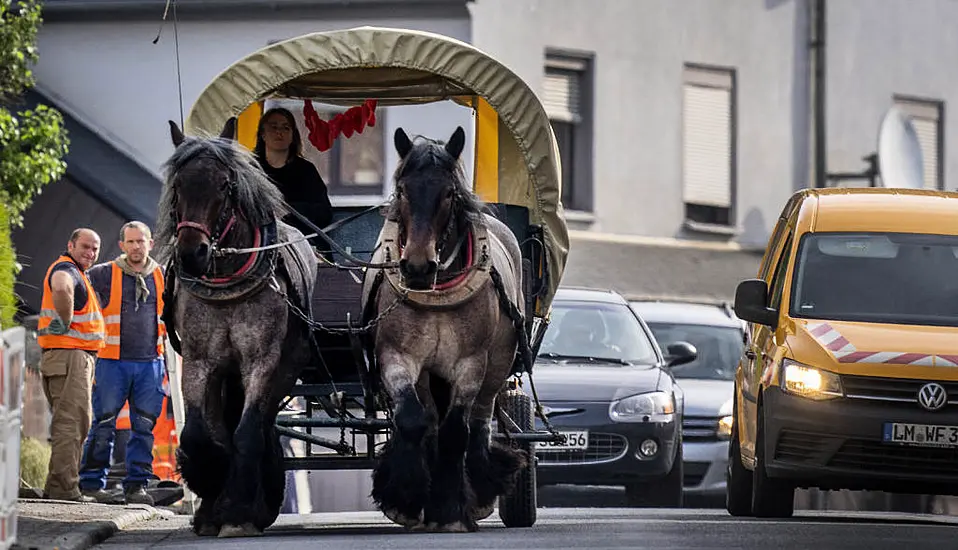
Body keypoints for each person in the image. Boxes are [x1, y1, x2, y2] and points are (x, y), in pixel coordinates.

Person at [77, 221, 168, 506]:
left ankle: (136, 486)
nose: (136, 247)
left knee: (144, 427)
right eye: (130, 242)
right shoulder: (104, 274)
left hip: (150, 363)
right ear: (122, 246)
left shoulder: (162, 276)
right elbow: (76, 289)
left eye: (140, 241)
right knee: (103, 424)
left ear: (150, 244)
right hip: (111, 362)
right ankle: (91, 484)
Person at [36, 228, 106, 502]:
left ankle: (59, 485)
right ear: (70, 245)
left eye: (95, 249)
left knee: (75, 422)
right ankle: (64, 490)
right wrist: (64, 321)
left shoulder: (79, 272)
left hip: (71, 357)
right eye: (85, 247)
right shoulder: (67, 268)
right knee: (72, 423)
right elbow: (62, 286)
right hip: (70, 356)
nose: (90, 253)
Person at [254, 106, 334, 258]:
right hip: (260, 246)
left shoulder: (306, 170)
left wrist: (291, 210)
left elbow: (324, 213)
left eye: (286, 128)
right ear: (263, 134)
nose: (279, 132)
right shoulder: (250, 170)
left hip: (305, 245)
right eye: (273, 127)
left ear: (292, 136)